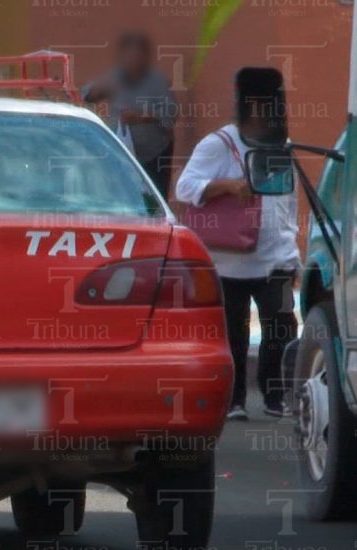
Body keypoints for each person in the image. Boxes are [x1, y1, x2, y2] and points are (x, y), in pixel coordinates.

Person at [175, 67, 299, 422]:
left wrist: (293, 254)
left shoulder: (282, 146)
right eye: (262, 104)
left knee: (282, 325)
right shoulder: (220, 143)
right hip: (229, 262)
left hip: (277, 258)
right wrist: (227, 186)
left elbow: (286, 201)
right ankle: (234, 400)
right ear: (250, 106)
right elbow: (185, 187)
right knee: (234, 331)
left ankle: (275, 397)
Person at [82, 31, 176, 198]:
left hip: (154, 153)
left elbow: (171, 112)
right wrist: (101, 89)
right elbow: (87, 95)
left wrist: (142, 117)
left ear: (145, 57)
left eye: (138, 56)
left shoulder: (157, 81)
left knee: (154, 198)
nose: (133, 60)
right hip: (124, 151)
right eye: (129, 56)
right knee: (125, 196)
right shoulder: (114, 77)